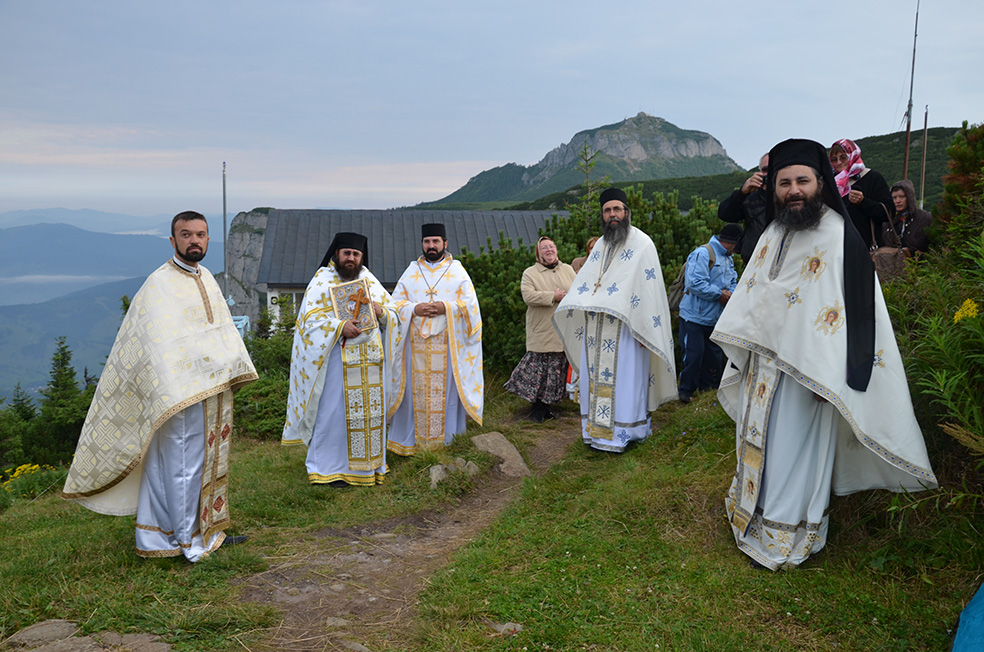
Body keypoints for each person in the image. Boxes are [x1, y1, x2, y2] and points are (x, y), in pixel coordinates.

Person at [711, 139, 937, 571]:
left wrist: (845, 376)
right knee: (761, 445)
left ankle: (784, 539)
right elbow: (756, 295)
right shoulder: (775, 232)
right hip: (765, 367)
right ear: (773, 188)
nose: (793, 190)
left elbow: (860, 310)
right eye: (784, 183)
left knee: (795, 451)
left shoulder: (838, 234)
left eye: (802, 181)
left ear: (819, 184)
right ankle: (750, 518)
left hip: (809, 373)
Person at [61, 211, 258, 562]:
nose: (194, 240)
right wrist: (175, 384)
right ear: (173, 241)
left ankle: (187, 532)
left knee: (193, 464)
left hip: (208, 392)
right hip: (176, 396)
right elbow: (151, 345)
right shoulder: (159, 284)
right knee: (180, 464)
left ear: (209, 239)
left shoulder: (207, 278)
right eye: (186, 234)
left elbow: (218, 333)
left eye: (200, 234)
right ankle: (188, 541)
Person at [553, 188, 677, 452]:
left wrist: (647, 330)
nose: (612, 215)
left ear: (627, 212)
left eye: (617, 209)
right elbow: (586, 284)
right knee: (596, 381)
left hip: (627, 330)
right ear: (602, 215)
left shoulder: (643, 244)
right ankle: (596, 434)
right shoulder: (600, 245)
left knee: (626, 382)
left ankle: (627, 432)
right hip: (596, 329)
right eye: (607, 210)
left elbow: (650, 292)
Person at [281, 232, 402, 486]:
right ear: (336, 253)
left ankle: (367, 468)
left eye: (356, 254)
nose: (351, 258)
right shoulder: (321, 281)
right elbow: (309, 322)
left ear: (361, 257)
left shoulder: (368, 279)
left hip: (369, 364)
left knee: (368, 415)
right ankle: (327, 470)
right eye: (347, 253)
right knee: (333, 414)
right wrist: (339, 327)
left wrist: (381, 312)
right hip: (335, 363)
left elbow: (394, 314)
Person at [388, 223, 484, 454]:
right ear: (422, 244)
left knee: (446, 395)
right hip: (415, 349)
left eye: (435, 241)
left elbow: (471, 307)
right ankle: (410, 442)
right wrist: (415, 308)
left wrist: (445, 307)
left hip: (448, 348)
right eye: (427, 242)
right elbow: (394, 305)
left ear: (445, 243)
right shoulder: (411, 271)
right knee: (414, 395)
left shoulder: (458, 271)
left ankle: (448, 441)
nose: (431, 246)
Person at [504, 236, 577, 422]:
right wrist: (553, 296)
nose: (549, 250)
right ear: (539, 253)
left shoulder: (568, 269)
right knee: (538, 372)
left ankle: (546, 408)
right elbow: (528, 296)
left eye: (552, 246)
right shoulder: (530, 273)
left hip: (563, 329)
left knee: (555, 372)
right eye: (544, 248)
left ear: (556, 250)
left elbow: (578, 290)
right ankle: (537, 409)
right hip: (542, 330)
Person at [677, 223, 741, 404]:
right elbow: (695, 283)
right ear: (732, 242)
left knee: (713, 357)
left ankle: (709, 393)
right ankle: (686, 391)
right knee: (693, 355)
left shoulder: (729, 258)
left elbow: (733, 280)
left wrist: (732, 294)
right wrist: (720, 294)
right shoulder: (703, 254)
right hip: (694, 317)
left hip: (715, 318)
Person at [829, 139, 892, 248]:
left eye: (843, 157)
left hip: (866, 248)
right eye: (834, 159)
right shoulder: (830, 183)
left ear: (853, 155)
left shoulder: (872, 178)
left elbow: (889, 213)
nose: (838, 162)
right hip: (837, 248)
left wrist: (863, 202)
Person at [718, 153, 770, 261]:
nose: (768, 174)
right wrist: (741, 193)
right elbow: (725, 214)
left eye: (774, 169)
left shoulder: (791, 197)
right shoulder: (750, 197)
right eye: (765, 170)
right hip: (753, 262)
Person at [881, 179, 933, 255]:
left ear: (909, 197)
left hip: (920, 264)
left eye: (901, 197)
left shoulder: (926, 218)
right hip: (892, 264)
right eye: (894, 198)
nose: (897, 201)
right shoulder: (887, 221)